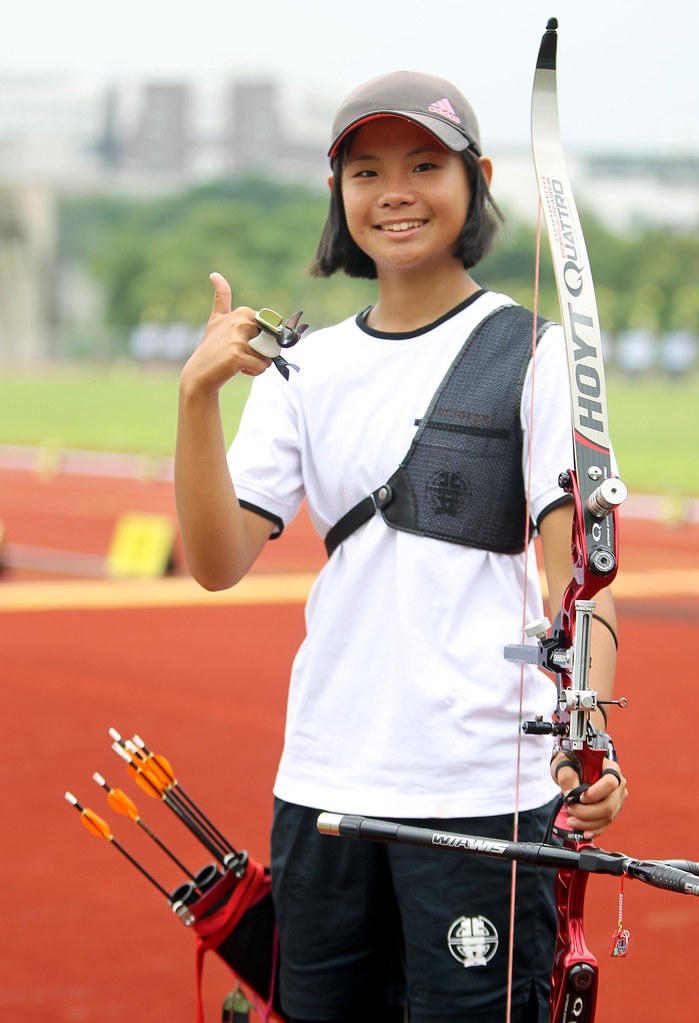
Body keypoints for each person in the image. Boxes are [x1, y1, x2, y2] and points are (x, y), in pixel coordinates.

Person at [175, 70, 627, 1023]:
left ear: (475, 179)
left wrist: (592, 736)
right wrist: (197, 398)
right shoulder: (304, 367)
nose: (395, 192)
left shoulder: (532, 351)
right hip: (324, 781)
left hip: (480, 787)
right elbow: (216, 561)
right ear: (337, 193)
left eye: (424, 165)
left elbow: (580, 576)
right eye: (367, 171)